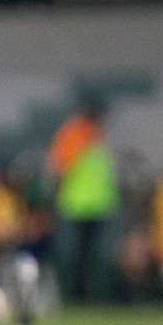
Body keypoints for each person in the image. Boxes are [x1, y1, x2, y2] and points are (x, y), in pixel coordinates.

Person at [50, 100, 119, 303]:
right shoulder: (76, 135)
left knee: (89, 256)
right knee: (80, 257)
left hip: (96, 205)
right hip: (80, 206)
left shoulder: (94, 137)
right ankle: (78, 298)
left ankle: (87, 297)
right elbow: (62, 166)